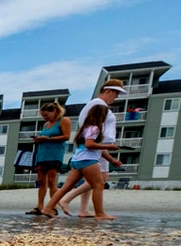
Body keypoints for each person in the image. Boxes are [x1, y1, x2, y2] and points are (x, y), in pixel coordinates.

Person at [58, 80, 127, 217]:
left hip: (94, 145)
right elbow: (92, 129)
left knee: (90, 179)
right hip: (98, 146)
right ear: (108, 91)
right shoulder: (99, 105)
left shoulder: (93, 104)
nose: (117, 96)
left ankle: (83, 209)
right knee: (100, 179)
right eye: (116, 93)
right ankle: (69, 200)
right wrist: (105, 148)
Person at [41, 104, 119, 220]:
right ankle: (100, 213)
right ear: (101, 116)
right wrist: (109, 146)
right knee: (98, 185)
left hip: (77, 160)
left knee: (66, 187)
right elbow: (90, 145)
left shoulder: (86, 128)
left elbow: (96, 148)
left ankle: (48, 208)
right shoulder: (94, 128)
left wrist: (112, 160)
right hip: (88, 160)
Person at [26, 101, 71, 215]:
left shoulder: (64, 121)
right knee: (41, 182)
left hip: (54, 155)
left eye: (46, 115)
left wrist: (48, 139)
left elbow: (66, 136)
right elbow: (44, 137)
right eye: (42, 116)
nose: (44, 118)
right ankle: (40, 206)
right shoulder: (46, 125)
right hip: (42, 155)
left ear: (54, 111)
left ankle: (53, 206)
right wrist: (39, 139)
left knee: (51, 182)